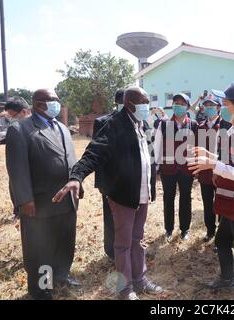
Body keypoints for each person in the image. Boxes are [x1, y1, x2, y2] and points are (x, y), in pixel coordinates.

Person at [53, 87, 163, 300]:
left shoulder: (143, 124)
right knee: (122, 243)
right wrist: (77, 176)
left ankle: (140, 280)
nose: (147, 107)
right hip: (123, 194)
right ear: (130, 104)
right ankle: (125, 289)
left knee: (137, 240)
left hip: (142, 192)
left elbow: (146, 153)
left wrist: (154, 173)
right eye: (144, 102)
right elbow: (94, 152)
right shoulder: (114, 125)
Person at [189, 82, 234, 300]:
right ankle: (227, 278)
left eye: (226, 103)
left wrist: (213, 165)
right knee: (222, 240)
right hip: (230, 200)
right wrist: (210, 157)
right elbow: (229, 161)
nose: (222, 106)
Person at [5, 89, 81, 300]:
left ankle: (60, 276)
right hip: (39, 202)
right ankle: (41, 288)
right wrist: (24, 199)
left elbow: (70, 159)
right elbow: (17, 169)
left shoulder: (63, 128)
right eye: (53, 100)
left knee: (64, 242)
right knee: (40, 248)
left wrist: (77, 184)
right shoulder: (20, 129)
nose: (57, 104)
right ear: (39, 104)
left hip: (66, 199)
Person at [154, 93, 198, 242]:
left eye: (181, 103)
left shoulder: (194, 125)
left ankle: (185, 229)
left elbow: (197, 147)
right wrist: (157, 167)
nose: (178, 106)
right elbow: (158, 145)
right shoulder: (164, 124)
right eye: (175, 103)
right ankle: (168, 229)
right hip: (168, 169)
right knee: (168, 198)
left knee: (186, 199)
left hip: (186, 169)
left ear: (187, 107)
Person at [92, 89, 124, 261]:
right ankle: (112, 252)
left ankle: (128, 249)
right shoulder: (102, 122)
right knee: (111, 217)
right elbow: (97, 153)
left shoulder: (138, 122)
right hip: (110, 182)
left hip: (132, 181)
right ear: (118, 102)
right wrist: (101, 182)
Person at [195, 94, 224, 242]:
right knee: (207, 203)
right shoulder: (201, 127)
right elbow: (198, 150)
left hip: (221, 172)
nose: (209, 109)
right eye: (206, 106)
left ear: (218, 108)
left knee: (221, 202)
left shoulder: (226, 125)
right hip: (205, 173)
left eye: (212, 106)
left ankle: (221, 232)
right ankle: (210, 230)